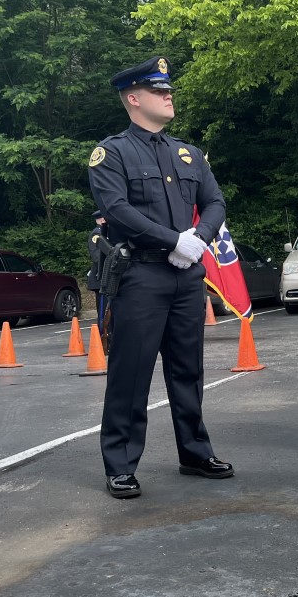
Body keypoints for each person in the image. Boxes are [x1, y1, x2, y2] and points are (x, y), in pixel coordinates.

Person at [87, 56, 233, 499]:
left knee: (188, 370)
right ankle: (120, 463)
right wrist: (173, 240)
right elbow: (117, 210)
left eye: (168, 90)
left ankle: (195, 452)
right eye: (158, 91)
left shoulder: (187, 152)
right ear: (133, 99)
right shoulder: (111, 153)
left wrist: (197, 240)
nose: (168, 96)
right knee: (131, 373)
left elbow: (215, 202)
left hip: (186, 275)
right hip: (140, 275)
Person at [86, 211, 107, 321]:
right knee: (103, 311)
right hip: (101, 277)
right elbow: (97, 256)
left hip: (106, 277)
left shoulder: (105, 232)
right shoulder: (97, 234)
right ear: (102, 219)